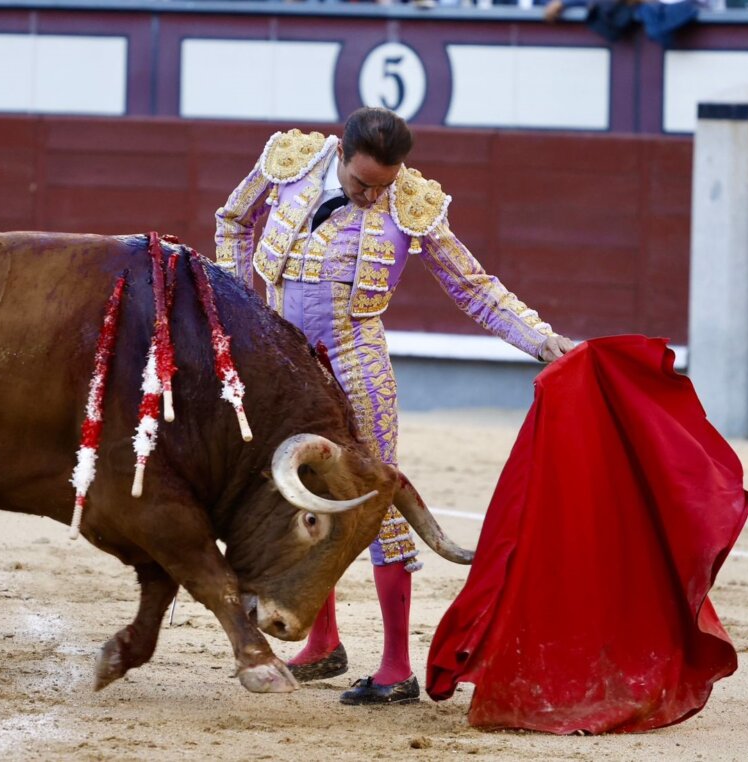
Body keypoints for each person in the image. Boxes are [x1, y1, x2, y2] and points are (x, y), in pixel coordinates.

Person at [213, 107, 575, 705]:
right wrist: (237, 307)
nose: (370, 195)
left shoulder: (411, 204)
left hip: (358, 371)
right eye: (361, 184)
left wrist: (541, 340)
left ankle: (395, 666)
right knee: (298, 497)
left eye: (382, 185)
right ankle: (321, 643)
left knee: (377, 504)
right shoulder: (289, 162)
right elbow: (232, 221)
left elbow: (474, 287)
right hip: (284, 370)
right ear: (340, 156)